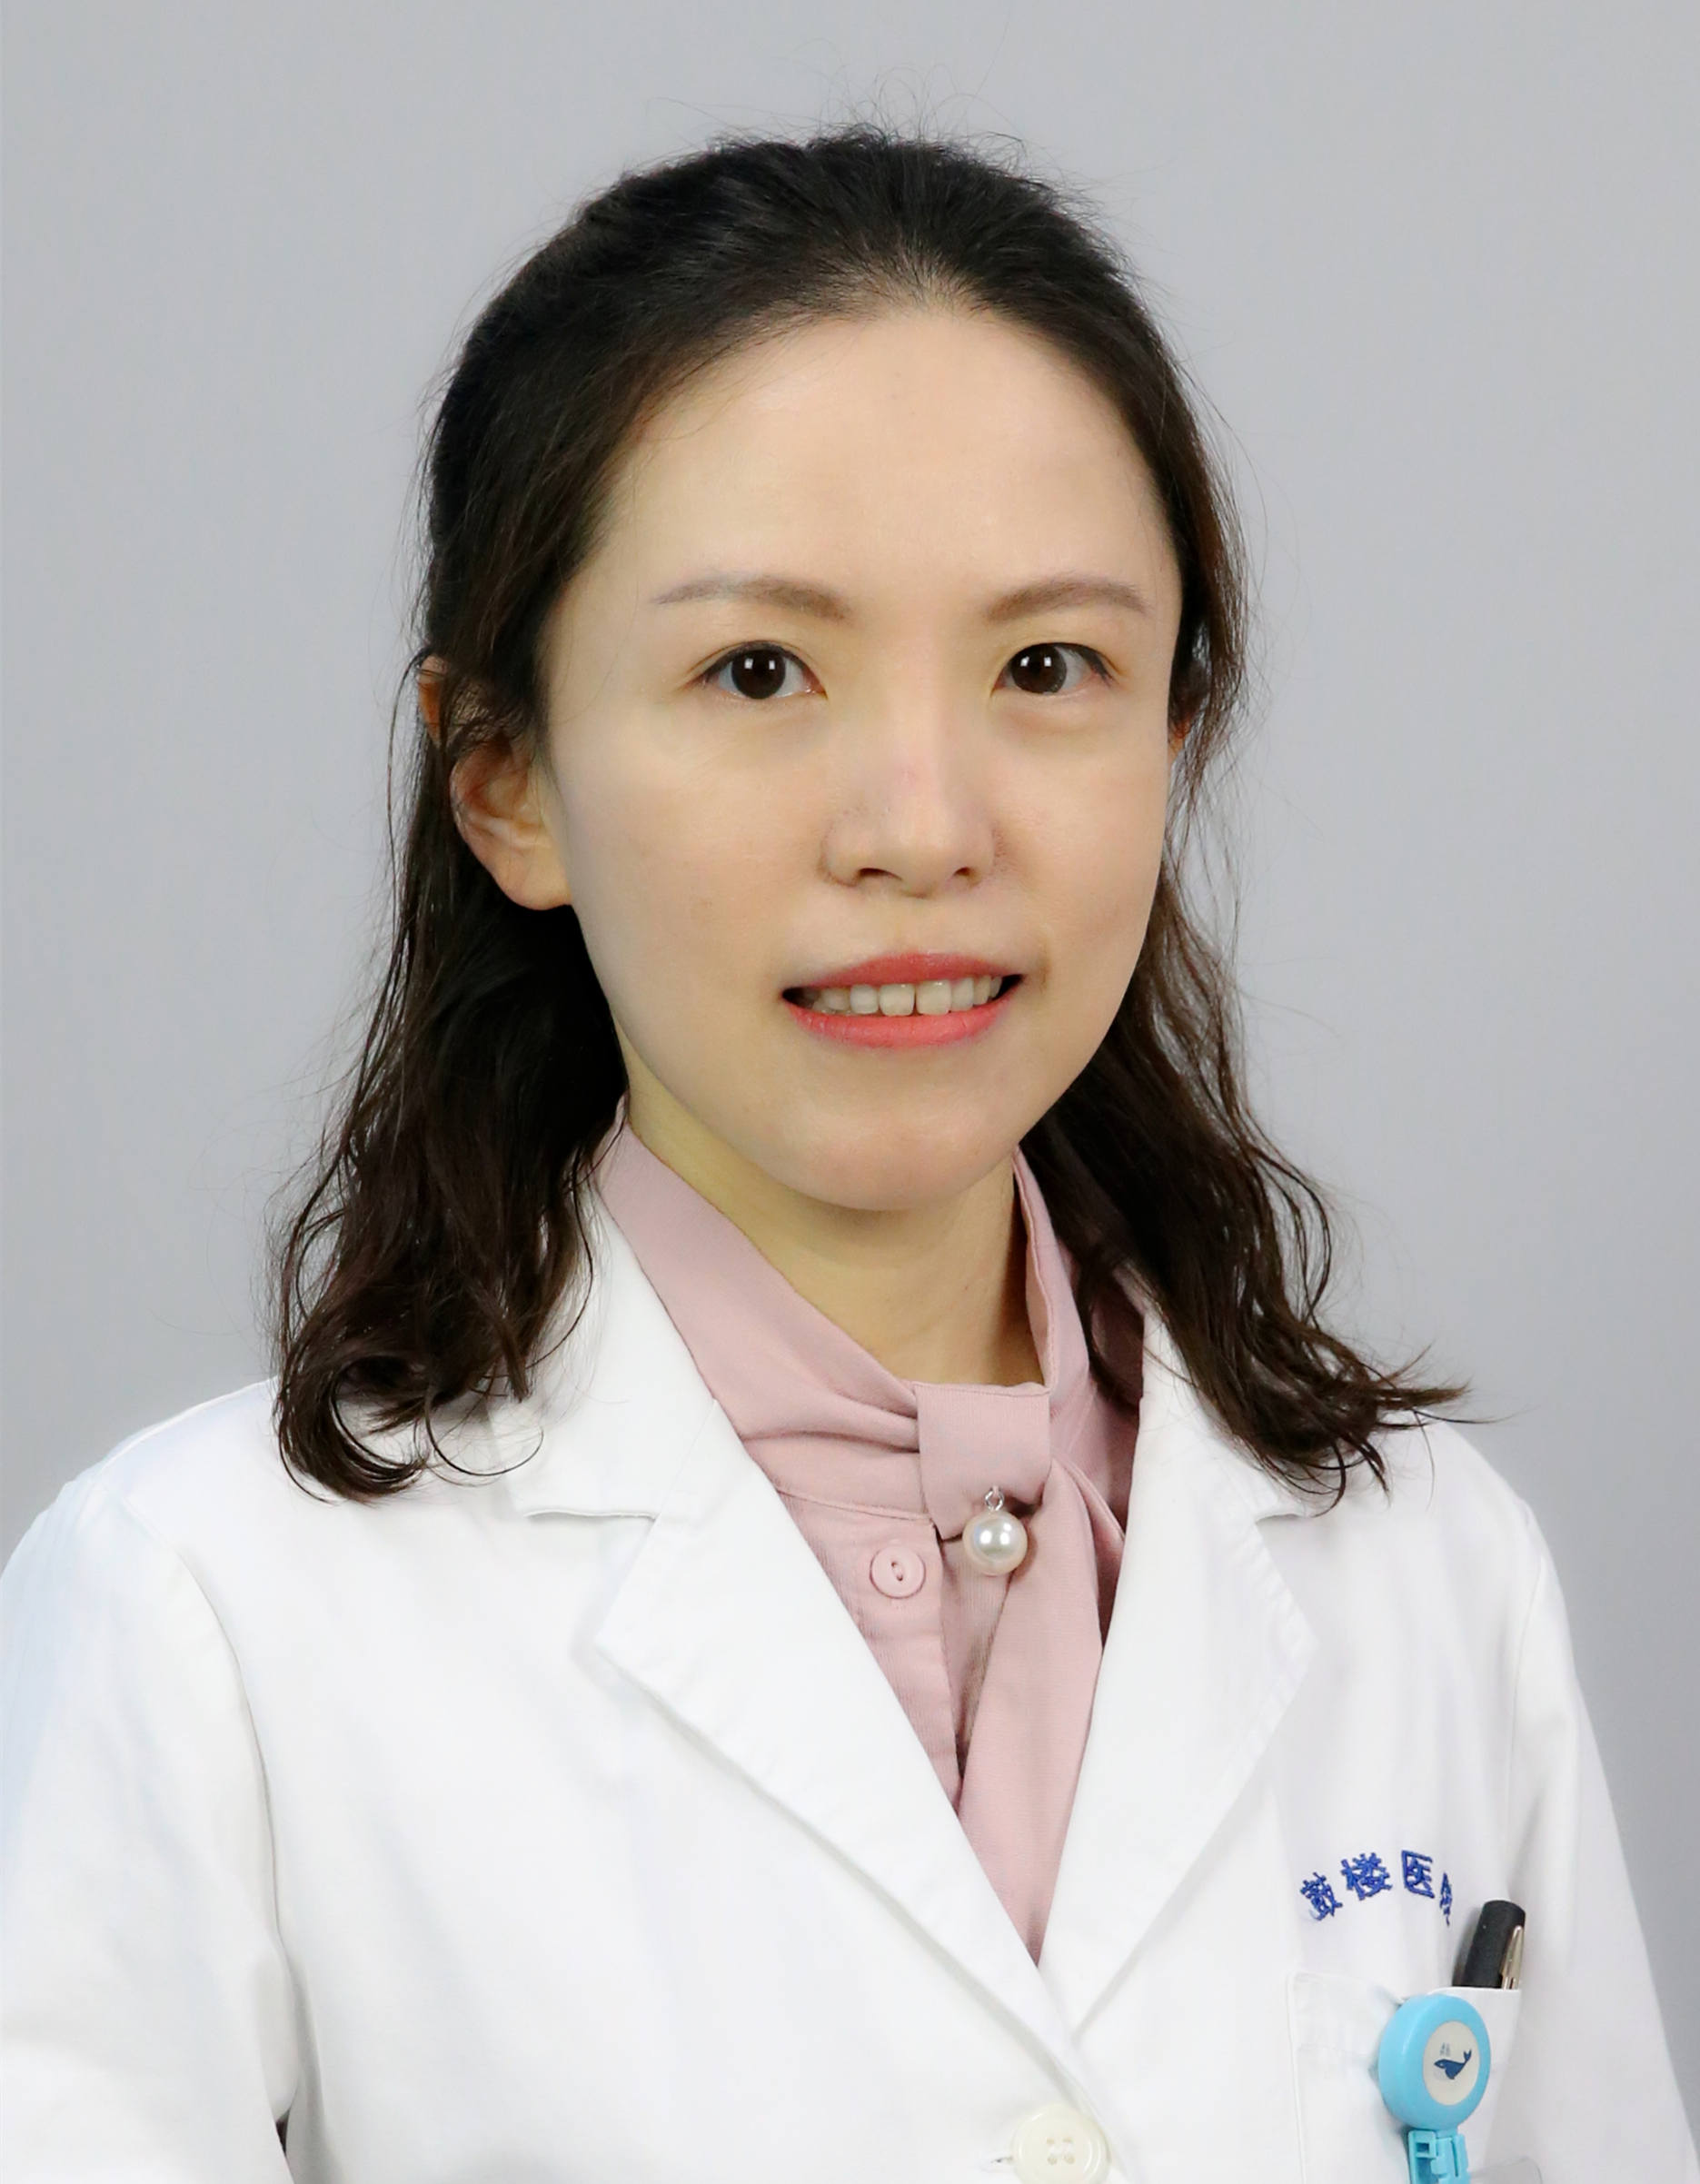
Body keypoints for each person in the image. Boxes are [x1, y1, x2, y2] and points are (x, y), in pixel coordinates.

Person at [1, 127, 1692, 2183]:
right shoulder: (205, 1618)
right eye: (759, 671)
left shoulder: (1427, 1569)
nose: (921, 825)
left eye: (1048, 668)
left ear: (1172, 741)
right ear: (506, 778)